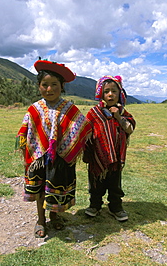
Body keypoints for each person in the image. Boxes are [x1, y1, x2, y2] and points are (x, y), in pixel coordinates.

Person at [16, 59, 91, 238]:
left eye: (54, 85)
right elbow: (25, 131)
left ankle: (54, 215)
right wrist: (29, 147)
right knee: (41, 188)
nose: (49, 89)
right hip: (39, 157)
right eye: (45, 85)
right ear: (39, 86)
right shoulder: (34, 108)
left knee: (57, 187)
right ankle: (40, 220)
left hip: (61, 158)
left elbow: (83, 126)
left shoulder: (69, 108)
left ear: (62, 86)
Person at [83, 75, 136, 221]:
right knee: (95, 185)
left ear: (120, 93)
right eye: (106, 91)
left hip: (116, 158)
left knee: (115, 185)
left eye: (114, 91)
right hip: (97, 157)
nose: (110, 94)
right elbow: (86, 131)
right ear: (101, 94)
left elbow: (129, 129)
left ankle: (116, 207)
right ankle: (95, 205)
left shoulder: (123, 113)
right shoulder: (94, 113)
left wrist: (118, 117)